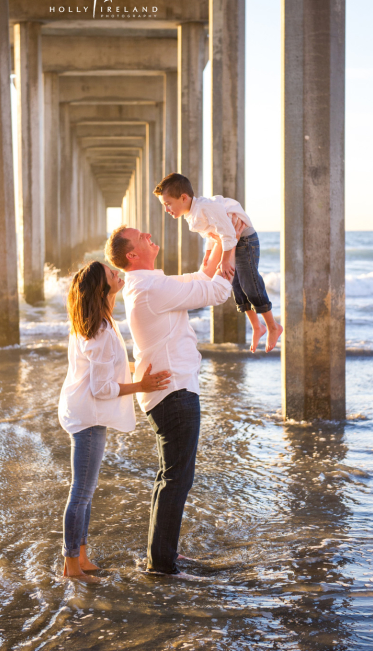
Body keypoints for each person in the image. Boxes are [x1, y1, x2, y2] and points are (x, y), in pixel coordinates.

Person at [105, 226, 231, 578]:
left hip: (170, 391)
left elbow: (199, 278)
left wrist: (218, 242)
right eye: (140, 236)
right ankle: (161, 565)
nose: (149, 233)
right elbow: (217, 290)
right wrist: (232, 248)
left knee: (170, 477)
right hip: (174, 391)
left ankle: (162, 555)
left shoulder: (149, 283)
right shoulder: (149, 287)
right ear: (132, 255)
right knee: (176, 479)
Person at [58, 260, 171, 580]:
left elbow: (103, 376)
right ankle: (71, 567)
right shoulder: (101, 329)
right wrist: (141, 386)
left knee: (85, 491)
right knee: (81, 492)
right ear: (103, 288)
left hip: (81, 411)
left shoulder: (95, 321)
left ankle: (81, 557)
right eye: (111, 273)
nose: (118, 273)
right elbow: (102, 388)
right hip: (87, 417)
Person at [153, 172, 283, 353]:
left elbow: (228, 232)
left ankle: (273, 325)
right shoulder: (191, 213)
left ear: (183, 197)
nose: (166, 209)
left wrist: (224, 260)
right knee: (237, 287)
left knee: (250, 283)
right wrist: (208, 253)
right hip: (233, 243)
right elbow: (212, 233)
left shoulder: (206, 207)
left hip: (245, 240)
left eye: (168, 204)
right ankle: (257, 326)